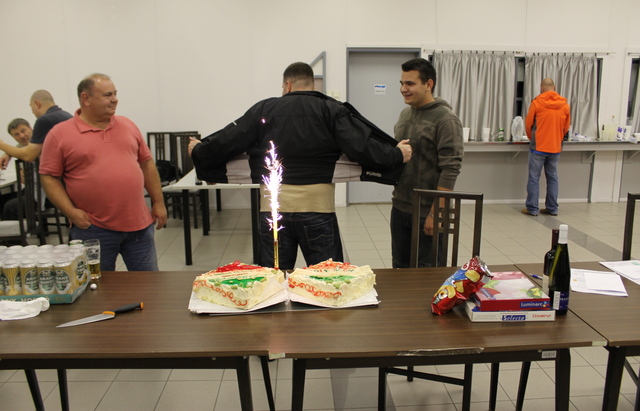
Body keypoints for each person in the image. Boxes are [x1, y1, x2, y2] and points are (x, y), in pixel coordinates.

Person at [189, 62, 411, 271]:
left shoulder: (264, 109)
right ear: (311, 84)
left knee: (274, 283)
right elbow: (361, 147)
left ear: (287, 85)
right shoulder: (330, 109)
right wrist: (396, 154)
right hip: (318, 209)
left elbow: (228, 141)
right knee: (326, 280)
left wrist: (199, 150)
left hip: (273, 209)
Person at [39, 73, 167, 271]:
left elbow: (146, 164)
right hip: (93, 228)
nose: (114, 99)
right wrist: (71, 212)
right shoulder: (60, 134)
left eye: (115, 94)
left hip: (139, 227)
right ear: (85, 98)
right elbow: (48, 177)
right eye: (107, 95)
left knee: (149, 283)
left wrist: (158, 202)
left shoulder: (127, 125)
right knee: (97, 286)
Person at [391, 58, 464, 268]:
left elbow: (450, 169)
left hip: (428, 213)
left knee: (427, 274)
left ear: (428, 84)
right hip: (400, 208)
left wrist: (436, 213)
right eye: (402, 83)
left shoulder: (446, 119)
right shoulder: (405, 114)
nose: (403, 89)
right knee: (399, 269)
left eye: (410, 84)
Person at [522, 78, 570, 216]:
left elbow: (528, 124)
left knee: (534, 178)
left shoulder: (537, 103)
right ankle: (552, 208)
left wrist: (532, 139)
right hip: (555, 147)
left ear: (542, 88)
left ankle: (532, 208)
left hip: (538, 147)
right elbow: (566, 127)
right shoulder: (565, 105)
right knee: (553, 178)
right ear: (554, 87)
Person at [0, 90, 72, 168]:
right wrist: (8, 153)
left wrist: (2, 145)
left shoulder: (44, 120)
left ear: (37, 104)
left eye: (32, 108)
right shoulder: (67, 115)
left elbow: (29, 155)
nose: (33, 112)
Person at [0, 118, 33, 219]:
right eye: (16, 134)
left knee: (10, 207)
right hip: (30, 190)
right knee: (2, 200)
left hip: (45, 194)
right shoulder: (20, 147)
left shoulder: (39, 145)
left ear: (31, 128)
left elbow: (27, 152)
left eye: (23, 131)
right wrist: (8, 154)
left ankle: (16, 229)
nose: (22, 136)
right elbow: (18, 149)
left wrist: (5, 149)